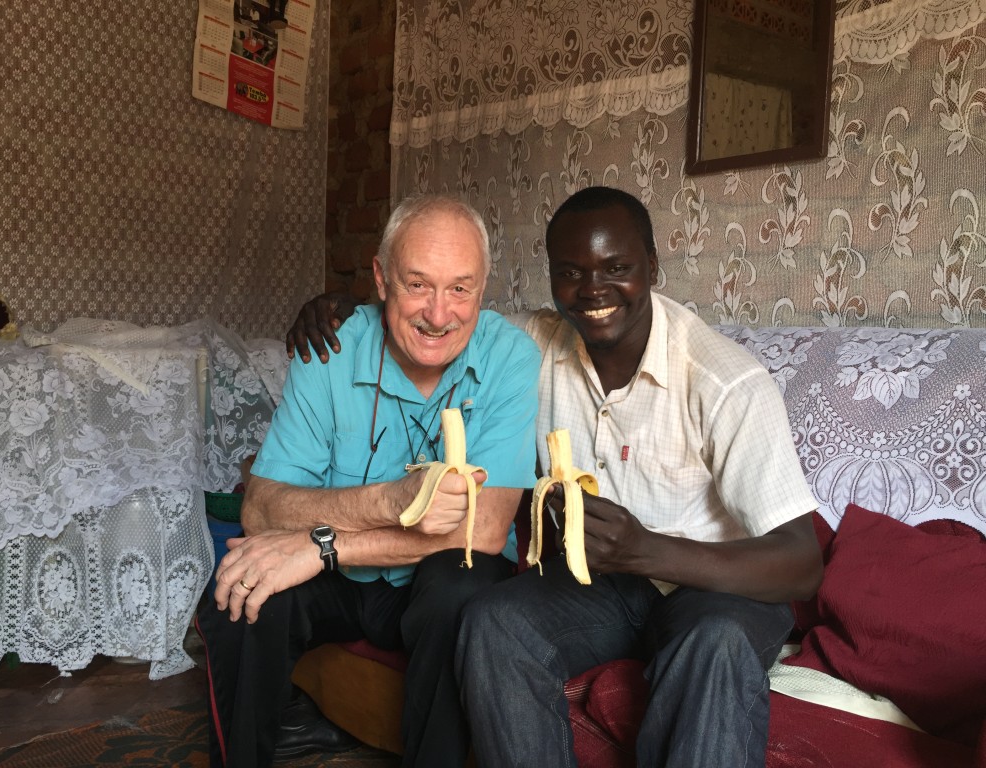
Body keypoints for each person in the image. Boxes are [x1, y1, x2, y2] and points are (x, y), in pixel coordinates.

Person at [287, 185, 823, 767]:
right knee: (493, 622)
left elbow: (801, 562)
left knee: (712, 643)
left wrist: (645, 550)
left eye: (617, 268)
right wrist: (352, 311)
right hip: (604, 587)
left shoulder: (725, 382)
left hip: (718, 589)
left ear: (653, 266)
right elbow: (439, 318)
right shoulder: (533, 345)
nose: (593, 291)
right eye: (571, 272)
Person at [197, 194, 540, 768]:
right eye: (417, 284)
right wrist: (393, 500)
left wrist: (325, 546)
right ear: (381, 279)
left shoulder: (510, 356)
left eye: (460, 288)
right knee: (243, 587)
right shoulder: (328, 348)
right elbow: (261, 509)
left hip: (437, 581)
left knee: (462, 588)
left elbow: (482, 530)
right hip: (345, 586)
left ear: (483, 288)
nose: (438, 313)